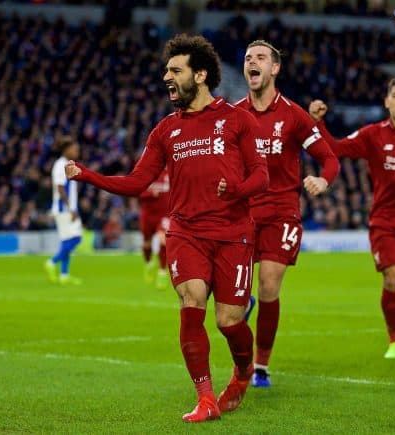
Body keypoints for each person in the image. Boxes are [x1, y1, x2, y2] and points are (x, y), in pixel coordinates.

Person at [65, 34, 269, 422]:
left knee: (229, 321)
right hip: (186, 232)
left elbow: (261, 176)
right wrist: (87, 175)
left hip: (233, 233)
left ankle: (243, 372)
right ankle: (206, 398)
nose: (167, 77)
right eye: (166, 70)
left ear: (201, 74)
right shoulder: (164, 131)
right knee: (191, 301)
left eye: (175, 70)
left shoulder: (237, 119)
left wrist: (237, 189)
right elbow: (136, 182)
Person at [309, 75, 395, 359]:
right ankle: (394, 339)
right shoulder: (372, 134)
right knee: (392, 278)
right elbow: (334, 147)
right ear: (386, 101)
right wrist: (318, 123)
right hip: (385, 221)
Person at [235, 40, 340, 387]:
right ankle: (241, 308)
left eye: (261, 58)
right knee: (229, 298)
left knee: (269, 285)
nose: (253, 62)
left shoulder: (294, 116)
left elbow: (330, 158)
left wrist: (323, 181)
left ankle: (260, 366)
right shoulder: (234, 114)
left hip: (282, 211)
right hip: (243, 212)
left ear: (274, 68)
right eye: (249, 58)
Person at [44, 136, 83, 285]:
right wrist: (70, 208)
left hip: (68, 209)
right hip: (64, 209)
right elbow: (60, 188)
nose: (77, 151)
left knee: (67, 241)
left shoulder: (67, 164)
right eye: (74, 149)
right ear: (66, 149)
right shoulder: (60, 165)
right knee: (76, 238)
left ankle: (64, 275)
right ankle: (51, 263)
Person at [138, 169, 170, 289]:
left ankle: (162, 272)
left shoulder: (170, 173)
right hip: (148, 215)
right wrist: (151, 193)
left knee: (163, 240)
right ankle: (148, 264)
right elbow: (137, 191)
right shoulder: (147, 173)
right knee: (147, 244)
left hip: (164, 215)